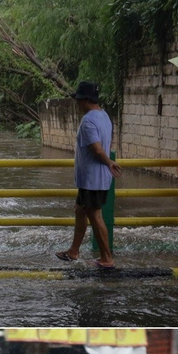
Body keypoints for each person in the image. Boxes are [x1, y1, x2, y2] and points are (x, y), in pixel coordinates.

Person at [56, 80, 122, 269]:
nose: (76, 104)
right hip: (94, 178)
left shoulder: (88, 121)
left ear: (85, 100)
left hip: (93, 179)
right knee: (80, 210)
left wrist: (109, 162)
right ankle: (73, 251)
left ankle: (107, 259)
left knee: (95, 215)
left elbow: (98, 149)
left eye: (78, 100)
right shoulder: (104, 116)